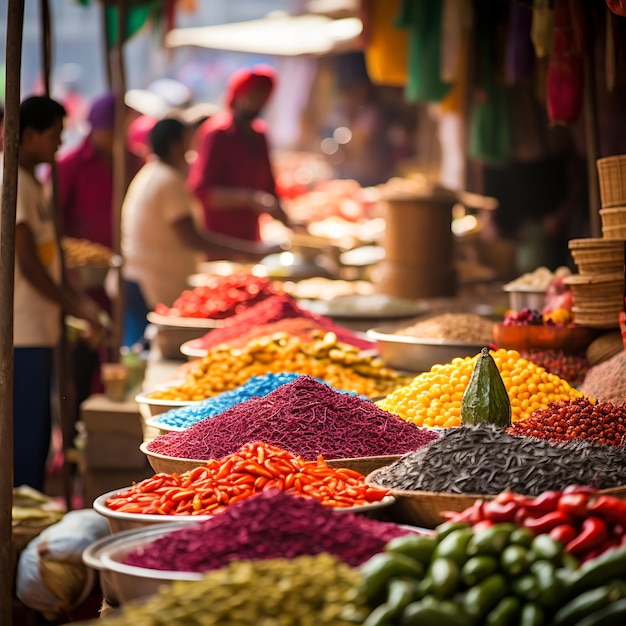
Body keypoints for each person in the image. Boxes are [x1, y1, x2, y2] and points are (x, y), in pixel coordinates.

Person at [121, 117, 282, 347]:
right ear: (177, 145)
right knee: (144, 348)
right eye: (189, 142)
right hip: (151, 282)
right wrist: (251, 252)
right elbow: (192, 238)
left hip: (142, 277)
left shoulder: (154, 173)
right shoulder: (167, 180)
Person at [14, 95, 106, 490]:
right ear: (29, 134)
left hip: (40, 325)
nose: (58, 145)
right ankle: (21, 511)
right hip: (22, 329)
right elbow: (28, 264)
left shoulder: (33, 182)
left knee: (37, 427)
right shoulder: (13, 184)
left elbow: (48, 259)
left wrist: (75, 307)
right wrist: (76, 306)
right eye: (53, 135)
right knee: (26, 431)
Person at [188, 65, 290, 246]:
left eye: (262, 97)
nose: (257, 102)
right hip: (219, 238)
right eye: (253, 96)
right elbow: (202, 191)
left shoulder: (260, 135)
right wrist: (248, 199)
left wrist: (287, 219)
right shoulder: (217, 133)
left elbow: (269, 186)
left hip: (250, 236)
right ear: (238, 94)